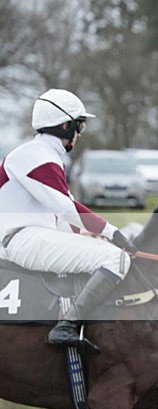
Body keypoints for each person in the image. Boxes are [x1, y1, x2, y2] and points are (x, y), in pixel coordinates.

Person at [0, 89, 137, 352]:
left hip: (31, 236)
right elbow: (67, 208)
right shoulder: (37, 155)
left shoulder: (42, 154)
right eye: (79, 125)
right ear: (65, 125)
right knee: (116, 259)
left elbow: (60, 212)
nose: (80, 133)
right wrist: (112, 232)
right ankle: (67, 326)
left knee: (103, 252)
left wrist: (89, 234)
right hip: (24, 240)